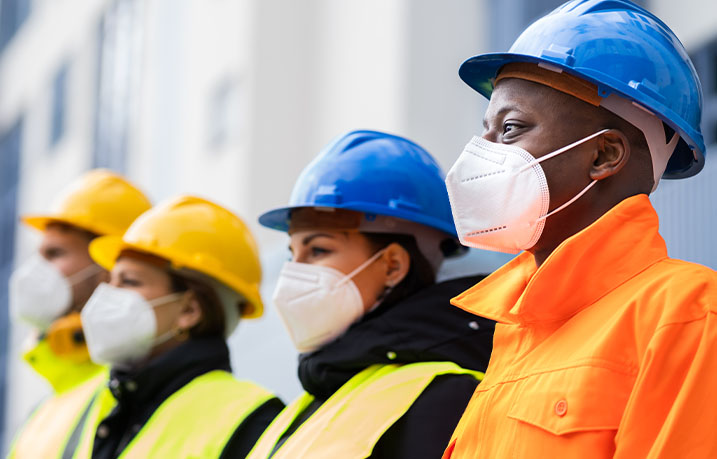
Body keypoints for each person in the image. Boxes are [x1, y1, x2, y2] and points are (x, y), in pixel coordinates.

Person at [442, 1, 717, 458]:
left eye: (510, 129)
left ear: (604, 155)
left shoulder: (687, 313)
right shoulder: (515, 331)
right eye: (485, 131)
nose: (480, 152)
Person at [247, 130, 494, 459]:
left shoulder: (446, 397)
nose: (295, 271)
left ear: (393, 265)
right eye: (293, 254)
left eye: (318, 250)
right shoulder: (315, 398)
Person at [65, 195, 284, 459]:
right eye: (111, 280)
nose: (107, 295)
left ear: (190, 311)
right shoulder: (107, 406)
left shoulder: (253, 420)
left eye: (130, 282)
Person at [8, 169, 152, 458]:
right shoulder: (41, 415)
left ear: (109, 267)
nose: (35, 270)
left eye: (55, 254)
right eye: (39, 254)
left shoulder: (133, 390)